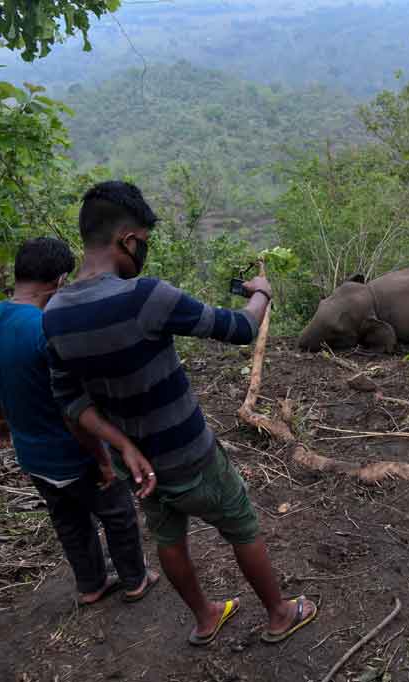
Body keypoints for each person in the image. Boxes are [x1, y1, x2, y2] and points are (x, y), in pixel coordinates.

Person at [43, 181, 315, 646]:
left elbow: (71, 401)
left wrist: (123, 447)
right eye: (143, 243)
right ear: (127, 239)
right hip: (190, 453)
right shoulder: (147, 296)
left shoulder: (54, 314)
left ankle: (206, 618)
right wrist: (261, 293)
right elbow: (239, 328)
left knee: (169, 537)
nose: (143, 253)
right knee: (241, 523)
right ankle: (279, 612)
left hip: (140, 466)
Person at [0, 237, 159, 606]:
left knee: (69, 521)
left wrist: (0, 419)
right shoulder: (46, 329)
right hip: (71, 453)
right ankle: (135, 579)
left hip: (32, 455)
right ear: (60, 280)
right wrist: (104, 460)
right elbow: (70, 408)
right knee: (118, 513)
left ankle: (91, 585)